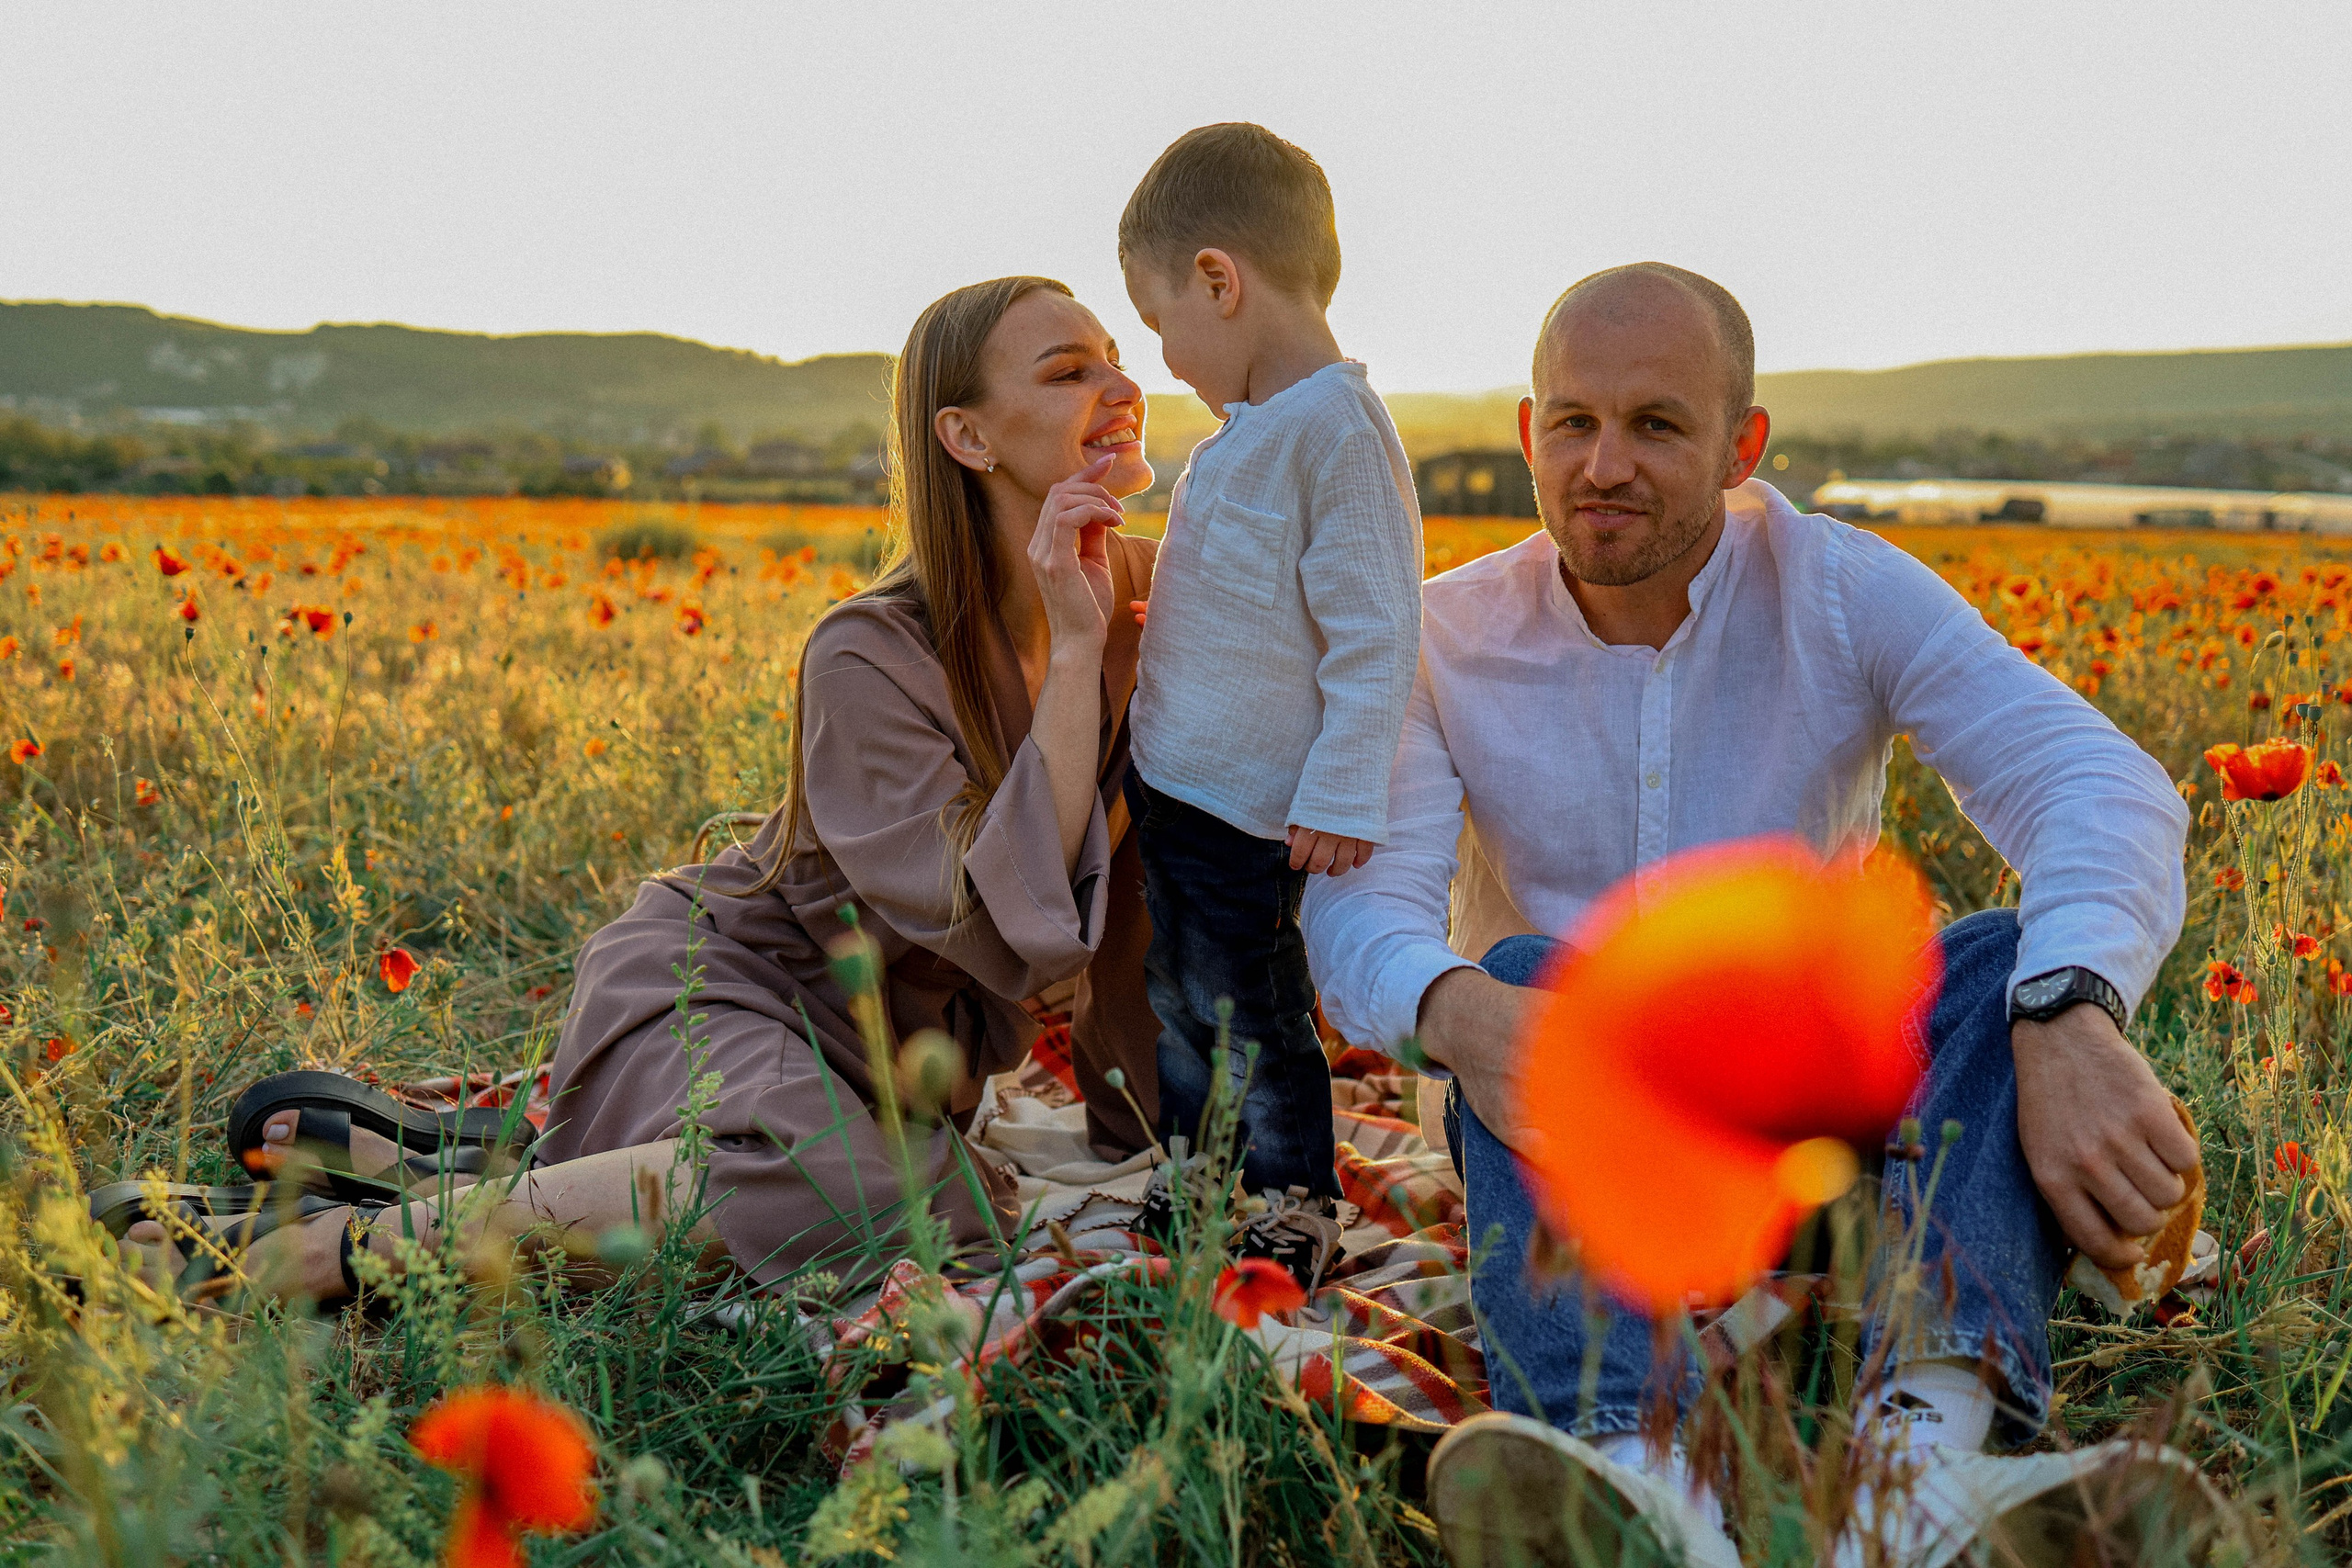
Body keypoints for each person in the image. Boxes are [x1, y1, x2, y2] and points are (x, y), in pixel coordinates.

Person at [1302, 264, 2216, 1564]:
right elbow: (1360, 907)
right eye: (1572, 422)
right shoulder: (1444, 639)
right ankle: (1636, 1483)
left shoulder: (1838, 586)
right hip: (1577, 1133)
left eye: (1657, 425)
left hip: (1831, 1137)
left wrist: (2072, 1007)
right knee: (1519, 966)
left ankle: (1918, 1472)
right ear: (1525, 432)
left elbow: (2093, 779)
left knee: (2006, 956)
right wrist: (1459, 1009)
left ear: (1743, 446)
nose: (1603, 464)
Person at [127, 276, 1165, 1302]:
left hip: (895, 1065)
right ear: (968, 440)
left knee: (923, 1206)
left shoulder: (1149, 591)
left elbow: (1172, 852)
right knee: (860, 1201)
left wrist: (1158, 1125)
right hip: (739, 986)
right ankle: (326, 1251)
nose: (1120, 386)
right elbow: (996, 919)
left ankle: (465, 1172)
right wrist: (1076, 656)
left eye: (1116, 357)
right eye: (1070, 370)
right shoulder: (868, 650)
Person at [1117, 123, 1424, 1286]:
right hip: (1183, 782)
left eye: (1162, 328)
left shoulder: (1334, 434)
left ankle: (1292, 1195)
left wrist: (1343, 788)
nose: (1165, 359)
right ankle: (1197, 1168)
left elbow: (1376, 629)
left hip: (1252, 804)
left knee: (1252, 1007)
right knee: (1180, 994)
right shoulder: (1251, 431)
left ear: (1218, 279)